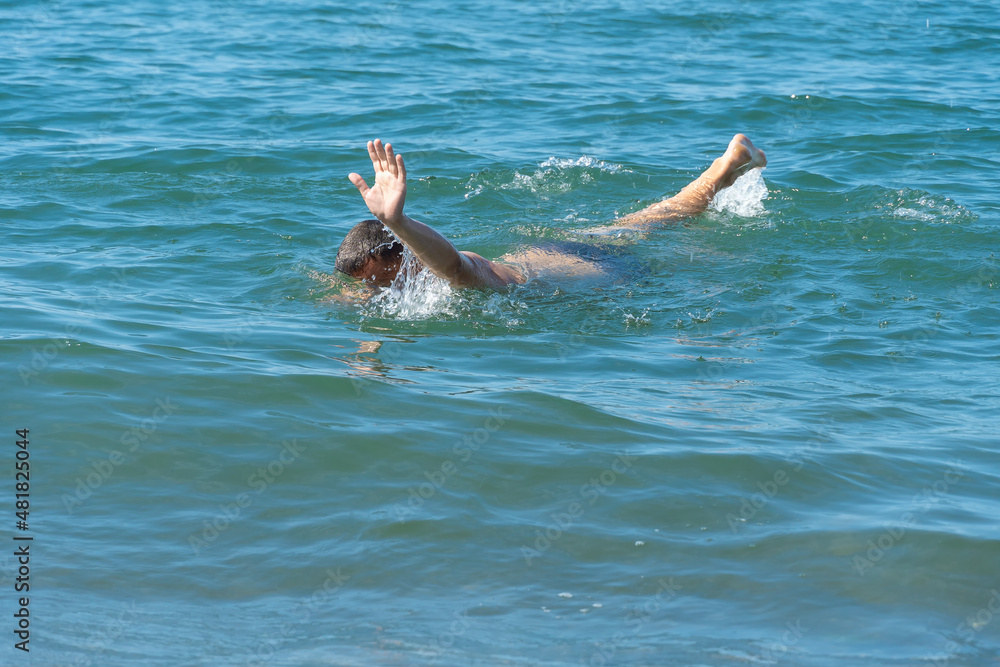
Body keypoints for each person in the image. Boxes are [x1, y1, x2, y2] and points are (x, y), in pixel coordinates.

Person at [337, 134, 766, 289]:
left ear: (406, 257)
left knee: (661, 224)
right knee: (651, 218)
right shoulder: (384, 281)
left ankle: (723, 169)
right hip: (547, 253)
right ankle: (725, 168)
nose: (376, 290)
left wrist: (397, 221)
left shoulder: (463, 277)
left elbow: (450, 264)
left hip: (600, 269)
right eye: (367, 284)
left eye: (380, 280)